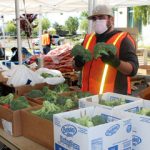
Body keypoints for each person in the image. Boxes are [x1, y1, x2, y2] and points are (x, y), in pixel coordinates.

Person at [73, 5, 139, 95]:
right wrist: (77, 63)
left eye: (101, 17)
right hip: (88, 96)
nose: (97, 21)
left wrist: (115, 62)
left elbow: (133, 70)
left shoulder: (123, 39)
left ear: (111, 19)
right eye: (94, 19)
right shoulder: (88, 38)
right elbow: (75, 67)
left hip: (113, 99)